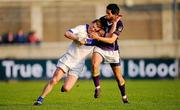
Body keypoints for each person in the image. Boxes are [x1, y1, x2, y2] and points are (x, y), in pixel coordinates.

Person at [33, 20, 103, 106]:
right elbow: (67, 33)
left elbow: (104, 40)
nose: (92, 29)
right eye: (93, 26)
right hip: (68, 58)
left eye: (95, 29)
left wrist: (86, 40)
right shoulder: (81, 28)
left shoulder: (97, 37)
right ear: (92, 22)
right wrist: (78, 38)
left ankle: (64, 85)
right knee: (55, 80)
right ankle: (40, 99)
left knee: (66, 88)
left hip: (78, 65)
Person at [89, 3, 129, 103]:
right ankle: (97, 87)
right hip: (100, 47)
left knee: (119, 78)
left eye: (108, 13)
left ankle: (124, 96)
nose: (106, 15)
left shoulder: (120, 24)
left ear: (115, 15)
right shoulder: (102, 19)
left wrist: (98, 36)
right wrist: (95, 31)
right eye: (106, 12)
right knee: (94, 65)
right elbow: (96, 28)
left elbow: (111, 40)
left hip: (112, 51)